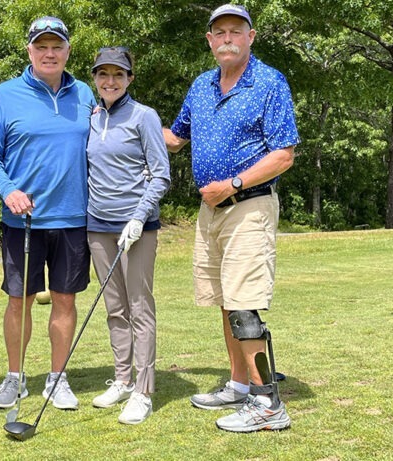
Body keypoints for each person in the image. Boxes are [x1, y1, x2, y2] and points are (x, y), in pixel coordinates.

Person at [163, 4, 299, 432]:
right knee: (226, 301)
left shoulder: (269, 82)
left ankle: (267, 405)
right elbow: (175, 139)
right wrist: (126, 117)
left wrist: (234, 184)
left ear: (250, 37)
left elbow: (284, 155)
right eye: (219, 32)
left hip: (249, 204)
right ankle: (239, 385)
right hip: (211, 211)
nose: (227, 38)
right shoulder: (202, 86)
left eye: (235, 31)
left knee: (245, 307)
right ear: (209, 40)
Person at [0, 16, 96, 411]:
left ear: (67, 51)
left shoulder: (85, 94)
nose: (50, 53)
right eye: (42, 46)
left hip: (73, 219)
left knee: (65, 301)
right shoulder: (4, 95)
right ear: (29, 50)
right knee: (19, 301)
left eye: (57, 46)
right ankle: (15, 378)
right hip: (22, 221)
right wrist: (7, 189)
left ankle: (57, 377)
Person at [85, 47, 170, 425]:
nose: (110, 81)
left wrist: (138, 218)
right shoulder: (92, 117)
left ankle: (143, 390)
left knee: (139, 308)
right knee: (114, 308)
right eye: (104, 74)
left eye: (118, 74)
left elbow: (161, 173)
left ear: (130, 79)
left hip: (136, 229)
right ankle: (121, 379)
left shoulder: (144, 116)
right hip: (98, 227)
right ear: (95, 79)